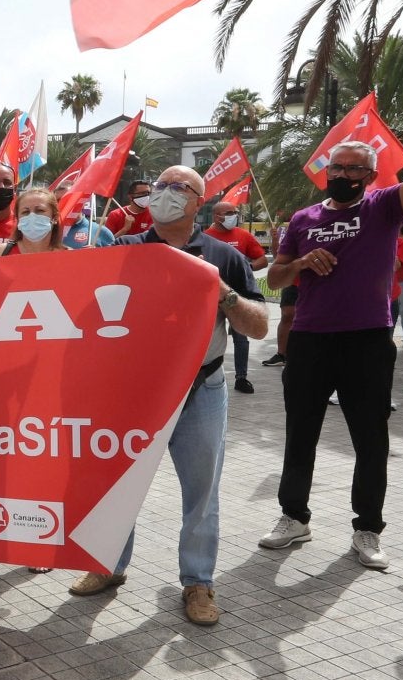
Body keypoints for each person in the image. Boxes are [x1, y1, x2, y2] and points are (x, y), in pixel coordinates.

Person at [258, 74, 403, 570]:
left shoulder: (383, 206)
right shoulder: (303, 219)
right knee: (300, 434)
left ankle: (368, 528)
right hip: (310, 339)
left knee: (370, 439)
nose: (344, 174)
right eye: (337, 166)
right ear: (326, 171)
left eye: (355, 168)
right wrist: (301, 262)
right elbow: (275, 277)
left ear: (370, 175)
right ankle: (294, 517)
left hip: (367, 340)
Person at [70, 167, 268, 624]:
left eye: (178, 188)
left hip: (200, 390)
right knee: (115, 484)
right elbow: (70, 293)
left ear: (199, 201)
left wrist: (224, 294)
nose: (164, 194)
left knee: (201, 492)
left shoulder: (223, 256)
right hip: (133, 391)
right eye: (159, 186)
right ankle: (107, 565)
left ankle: (198, 582)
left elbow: (259, 326)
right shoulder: (123, 250)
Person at [204, 200, 269, 394]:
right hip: (211, 297)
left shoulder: (243, 235)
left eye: (235, 212)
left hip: (237, 296)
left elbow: (262, 260)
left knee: (241, 338)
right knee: (207, 336)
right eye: (229, 213)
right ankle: (205, 374)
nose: (234, 216)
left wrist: (245, 268)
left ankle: (241, 377)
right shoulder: (205, 238)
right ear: (217, 216)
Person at [263, 211, 296, 368]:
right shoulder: (289, 232)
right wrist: (275, 239)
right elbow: (278, 256)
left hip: (314, 283)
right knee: (287, 316)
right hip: (292, 282)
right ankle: (281, 354)